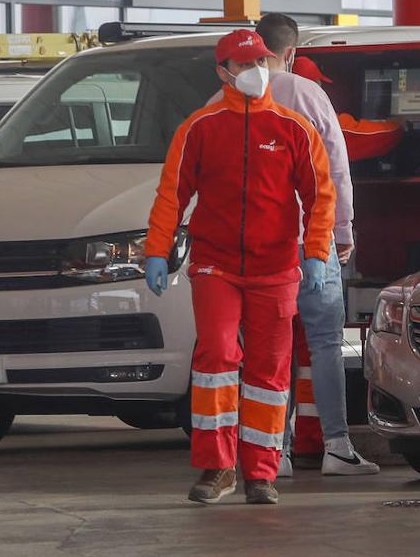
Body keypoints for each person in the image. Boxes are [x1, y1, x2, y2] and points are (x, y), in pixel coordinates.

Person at [143, 28, 336, 506]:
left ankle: (262, 474)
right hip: (216, 266)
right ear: (223, 73)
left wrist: (314, 254)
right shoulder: (200, 128)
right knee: (215, 358)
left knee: (270, 374)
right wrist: (155, 250)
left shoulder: (295, 129)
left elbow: (321, 198)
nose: (256, 72)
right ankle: (217, 468)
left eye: (262, 62)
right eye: (245, 64)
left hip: (276, 270)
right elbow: (172, 194)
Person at [210, 14, 379, 477]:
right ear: (290, 53)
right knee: (325, 344)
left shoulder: (220, 101)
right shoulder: (308, 94)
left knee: (268, 351)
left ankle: (276, 454)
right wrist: (343, 232)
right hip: (312, 242)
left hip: (249, 252)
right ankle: (337, 448)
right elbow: (336, 171)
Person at [291, 56, 403, 162]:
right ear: (311, 87)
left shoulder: (281, 115)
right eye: (318, 84)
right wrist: (397, 126)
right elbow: (367, 136)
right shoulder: (321, 124)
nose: (322, 89)